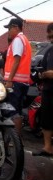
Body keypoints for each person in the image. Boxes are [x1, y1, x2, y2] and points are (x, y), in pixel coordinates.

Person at [3, 18, 32, 138]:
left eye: (9, 29)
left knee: (12, 110)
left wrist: (9, 80)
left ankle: (14, 138)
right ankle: (16, 139)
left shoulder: (18, 40)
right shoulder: (24, 40)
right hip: (22, 81)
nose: (8, 32)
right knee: (17, 110)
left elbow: (16, 60)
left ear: (15, 27)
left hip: (15, 82)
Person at [32, 23, 53, 157]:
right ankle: (47, 148)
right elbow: (44, 71)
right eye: (48, 34)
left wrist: (48, 74)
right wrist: (40, 75)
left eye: (51, 33)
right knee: (46, 120)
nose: (49, 36)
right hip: (48, 90)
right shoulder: (49, 51)